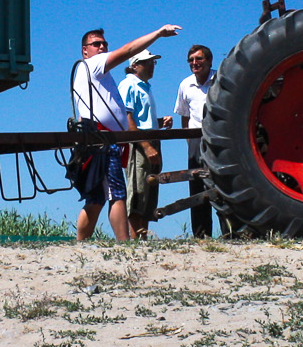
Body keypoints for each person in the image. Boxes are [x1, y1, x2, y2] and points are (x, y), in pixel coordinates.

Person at [72, 23, 182, 241]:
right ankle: (124, 244)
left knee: (96, 199)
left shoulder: (91, 72)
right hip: (103, 139)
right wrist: (158, 33)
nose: (102, 47)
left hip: (95, 136)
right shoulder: (94, 64)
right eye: (96, 44)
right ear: (85, 50)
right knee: (117, 193)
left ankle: (80, 244)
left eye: (104, 43)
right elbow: (129, 50)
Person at [118, 52, 168, 238]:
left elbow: (139, 118)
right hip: (139, 145)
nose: (152, 65)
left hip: (149, 141)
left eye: (152, 62)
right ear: (135, 66)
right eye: (148, 62)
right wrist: (146, 146)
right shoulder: (128, 85)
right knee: (138, 190)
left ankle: (142, 237)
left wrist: (159, 122)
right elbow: (127, 120)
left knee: (148, 190)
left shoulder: (144, 86)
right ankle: (136, 238)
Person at [173, 44, 219, 238]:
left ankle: (230, 233)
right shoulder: (185, 84)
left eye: (198, 59)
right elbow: (184, 115)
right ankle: (201, 236)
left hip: (218, 137)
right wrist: (189, 139)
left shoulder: (220, 79)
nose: (194, 63)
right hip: (195, 138)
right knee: (196, 186)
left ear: (209, 61)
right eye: (191, 60)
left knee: (219, 184)